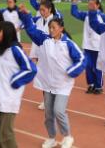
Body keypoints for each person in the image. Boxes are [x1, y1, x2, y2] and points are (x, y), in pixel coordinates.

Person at [20, 8, 85, 148]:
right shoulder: (44, 40)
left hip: (63, 85)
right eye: (50, 27)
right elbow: (31, 30)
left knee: (59, 111)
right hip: (48, 84)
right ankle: (51, 138)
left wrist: (72, 71)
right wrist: (26, 15)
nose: (51, 30)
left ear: (61, 28)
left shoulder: (69, 44)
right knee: (49, 114)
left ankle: (67, 136)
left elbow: (82, 60)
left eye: (54, 27)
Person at [70, 0, 105, 94]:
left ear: (98, 5)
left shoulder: (103, 16)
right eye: (89, 4)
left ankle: (99, 86)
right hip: (87, 45)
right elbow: (74, 13)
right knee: (88, 67)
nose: (90, 6)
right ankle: (91, 85)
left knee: (98, 67)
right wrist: (74, 1)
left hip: (98, 47)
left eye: (92, 4)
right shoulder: (86, 15)